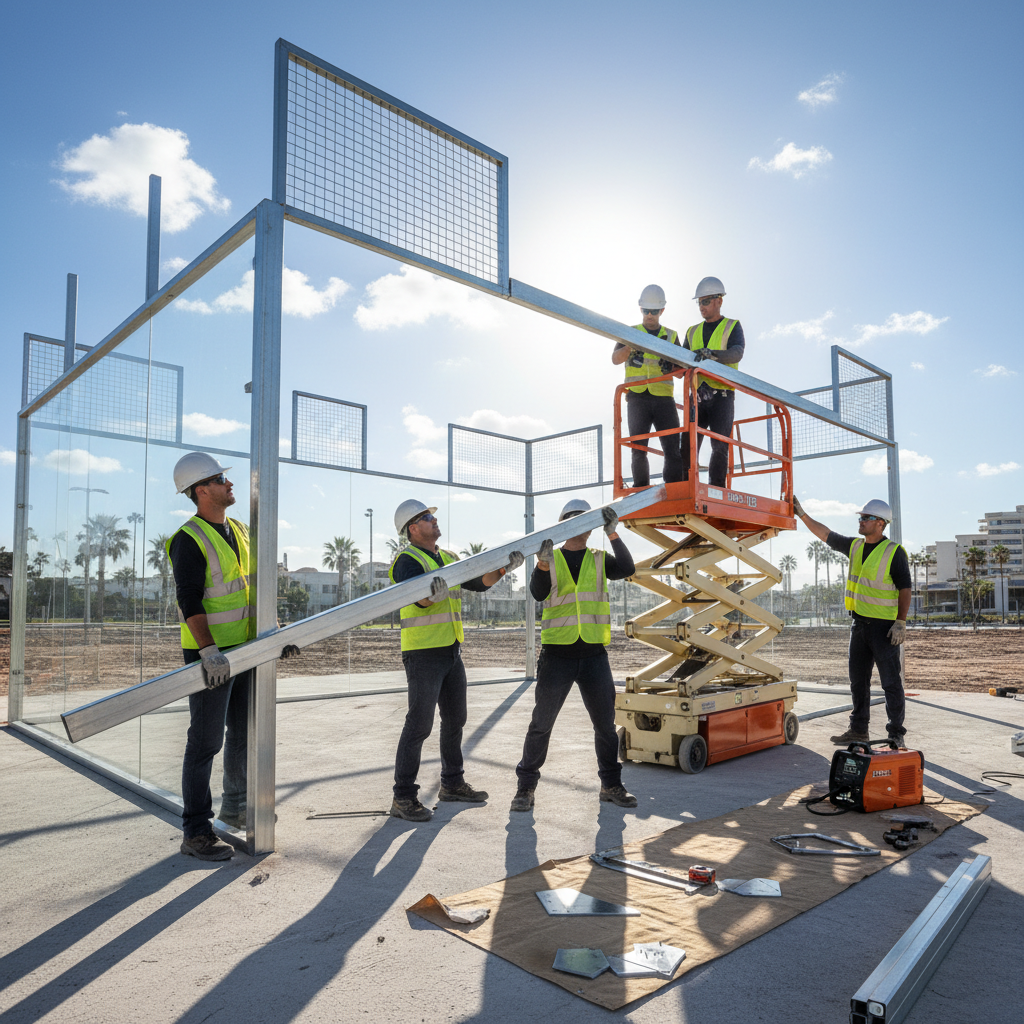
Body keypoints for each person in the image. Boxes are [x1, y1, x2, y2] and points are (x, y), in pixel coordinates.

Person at [168, 452, 299, 861]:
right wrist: (208, 651)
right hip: (212, 655)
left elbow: (255, 585)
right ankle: (196, 831)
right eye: (221, 479)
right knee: (204, 742)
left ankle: (236, 808)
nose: (230, 484)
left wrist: (274, 630)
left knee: (243, 733)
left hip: (247, 648)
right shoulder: (188, 538)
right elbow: (188, 597)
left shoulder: (240, 530)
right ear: (201, 490)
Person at [388, 499, 524, 822]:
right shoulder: (405, 560)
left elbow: (477, 583)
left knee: (456, 718)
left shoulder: (447, 558)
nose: (434, 520)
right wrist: (429, 594)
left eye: (432, 516)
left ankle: (452, 783)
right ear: (412, 528)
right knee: (419, 724)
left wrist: (504, 568)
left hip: (450, 650)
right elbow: (416, 596)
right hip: (422, 653)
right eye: (426, 517)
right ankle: (403, 796)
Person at [511, 499, 638, 812]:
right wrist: (541, 565)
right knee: (541, 724)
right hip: (558, 656)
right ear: (564, 524)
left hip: (594, 654)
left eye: (586, 520)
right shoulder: (550, 558)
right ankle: (525, 789)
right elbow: (538, 593)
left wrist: (613, 534)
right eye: (574, 519)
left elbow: (627, 568)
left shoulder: (599, 558)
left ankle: (611, 785)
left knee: (605, 726)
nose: (581, 524)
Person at [793, 496, 911, 745]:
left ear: (880, 523)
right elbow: (826, 534)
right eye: (861, 517)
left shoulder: (894, 553)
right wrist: (802, 514)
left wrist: (900, 622)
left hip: (883, 628)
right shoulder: (855, 546)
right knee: (858, 682)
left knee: (891, 683)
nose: (861, 521)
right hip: (859, 626)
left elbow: (905, 589)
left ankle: (896, 734)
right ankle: (858, 729)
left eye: (866, 518)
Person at [611, 284, 684, 487]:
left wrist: (670, 365)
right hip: (637, 398)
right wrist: (629, 347)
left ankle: (673, 490)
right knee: (638, 448)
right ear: (640, 308)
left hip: (663, 398)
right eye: (646, 311)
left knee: (672, 448)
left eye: (653, 311)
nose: (649, 315)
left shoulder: (671, 336)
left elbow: (681, 371)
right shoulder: (630, 332)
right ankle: (641, 489)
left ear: (662, 310)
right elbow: (615, 359)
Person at [681, 276, 746, 487]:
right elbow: (680, 359)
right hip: (698, 395)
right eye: (699, 302)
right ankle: (686, 485)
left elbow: (737, 353)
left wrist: (713, 355)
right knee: (688, 444)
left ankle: (717, 489)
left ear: (719, 300)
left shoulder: (732, 326)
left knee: (720, 445)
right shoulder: (691, 332)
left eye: (706, 301)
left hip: (722, 397)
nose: (701, 306)